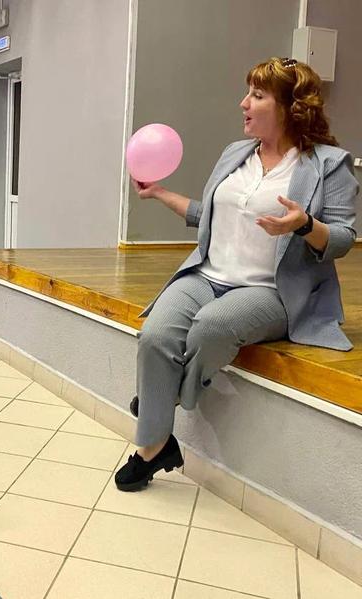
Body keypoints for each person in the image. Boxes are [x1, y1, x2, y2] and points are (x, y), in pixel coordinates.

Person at [115, 57, 358, 492]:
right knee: (155, 335)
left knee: (212, 326)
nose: (243, 103)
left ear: (288, 107)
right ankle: (157, 446)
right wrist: (161, 194)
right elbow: (208, 217)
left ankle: (162, 402)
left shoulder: (328, 164)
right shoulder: (236, 153)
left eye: (257, 95)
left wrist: (305, 225)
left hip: (271, 290)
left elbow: (342, 239)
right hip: (207, 275)